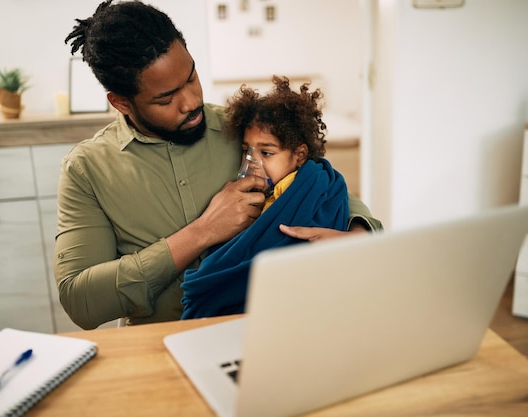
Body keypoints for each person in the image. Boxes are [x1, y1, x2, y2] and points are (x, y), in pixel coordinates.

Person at [57, 0, 383, 330]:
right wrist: (201, 232)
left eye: (191, 77)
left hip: (267, 331)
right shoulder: (86, 170)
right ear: (121, 102)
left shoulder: (248, 128)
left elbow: (323, 186)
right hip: (158, 346)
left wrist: (357, 235)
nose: (191, 101)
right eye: (166, 98)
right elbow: (80, 300)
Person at [180, 75, 353, 319]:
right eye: (246, 151)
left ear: (299, 155)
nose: (253, 163)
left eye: (267, 152)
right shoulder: (252, 194)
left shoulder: (318, 186)